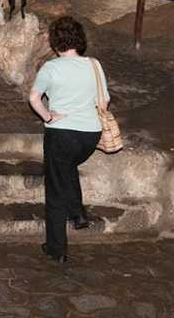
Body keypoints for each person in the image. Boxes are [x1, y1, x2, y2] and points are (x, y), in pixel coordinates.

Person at [29, 16, 107, 264]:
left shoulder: (51, 68)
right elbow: (103, 102)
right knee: (67, 167)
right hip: (90, 135)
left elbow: (34, 98)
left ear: (54, 43)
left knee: (55, 192)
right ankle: (78, 212)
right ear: (80, 40)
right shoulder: (94, 65)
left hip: (62, 133)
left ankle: (56, 248)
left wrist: (48, 116)